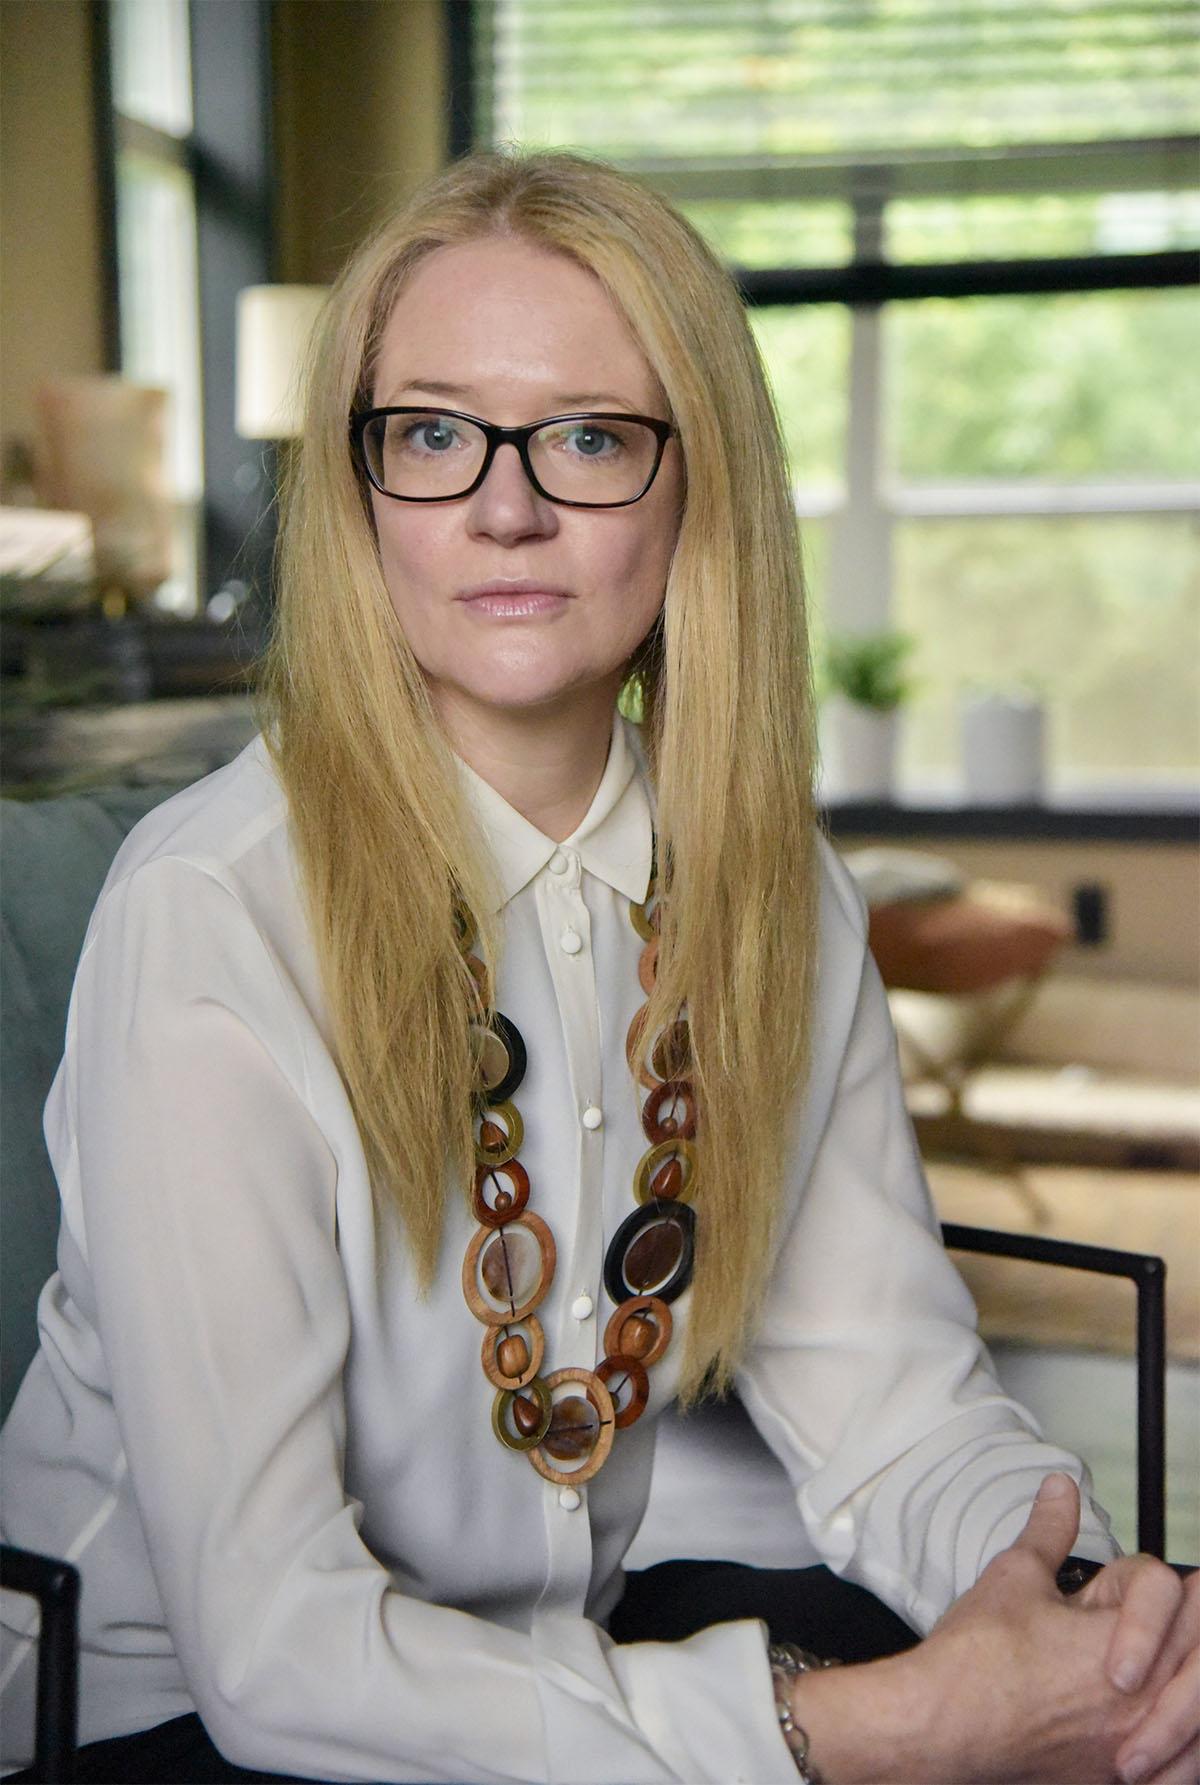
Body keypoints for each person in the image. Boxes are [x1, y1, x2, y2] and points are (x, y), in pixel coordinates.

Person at [1, 149, 1195, 1785]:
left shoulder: (777, 896)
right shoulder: (210, 913)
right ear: (358, 493)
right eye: (431, 432)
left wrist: (1078, 1618)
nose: (505, 503)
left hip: (564, 1652)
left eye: (586, 436)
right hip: (161, 1717)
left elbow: (898, 1406)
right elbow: (275, 1648)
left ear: (695, 481)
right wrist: (878, 1725)